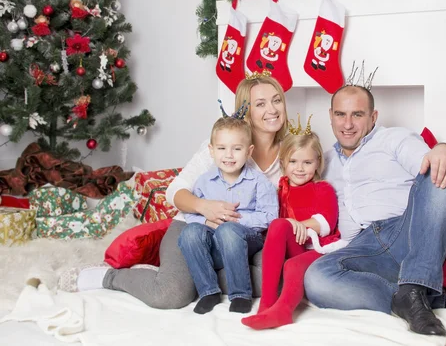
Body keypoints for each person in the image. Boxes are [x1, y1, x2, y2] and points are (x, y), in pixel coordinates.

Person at [58, 75, 288, 310]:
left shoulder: (290, 154)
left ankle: (200, 276)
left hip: (245, 237)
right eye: (260, 104)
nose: (271, 109)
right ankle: (110, 277)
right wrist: (203, 207)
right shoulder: (222, 146)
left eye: (276, 100)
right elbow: (174, 191)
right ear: (246, 110)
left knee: (275, 281)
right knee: (171, 294)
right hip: (195, 227)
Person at [303, 84, 446, 337]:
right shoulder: (322, 162)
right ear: (330, 115)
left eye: (357, 114)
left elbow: (431, 164)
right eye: (340, 114)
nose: (347, 123)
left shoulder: (394, 139)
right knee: (316, 277)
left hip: (407, 233)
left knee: (442, 174)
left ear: (373, 117)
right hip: (363, 249)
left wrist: (445, 149)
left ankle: (416, 285)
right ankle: (430, 299)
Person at [242, 126, 341, 329]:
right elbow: (272, 225)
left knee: (292, 266)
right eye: (293, 162)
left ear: (318, 164)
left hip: (318, 249)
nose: (300, 168)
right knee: (278, 225)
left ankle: (283, 312)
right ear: (283, 163)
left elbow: (326, 222)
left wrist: (297, 224)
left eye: (307, 162)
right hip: (294, 246)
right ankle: (266, 304)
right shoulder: (279, 191)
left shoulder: (322, 188)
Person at [179, 116, 277, 314]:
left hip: (246, 239)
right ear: (212, 150)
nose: (229, 155)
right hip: (214, 240)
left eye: (237, 148)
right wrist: (207, 220)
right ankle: (209, 291)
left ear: (249, 151)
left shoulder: (259, 181)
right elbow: (190, 214)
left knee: (229, 231)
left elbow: (270, 216)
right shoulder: (205, 181)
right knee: (189, 232)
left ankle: (240, 294)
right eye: (222, 148)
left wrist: (233, 220)